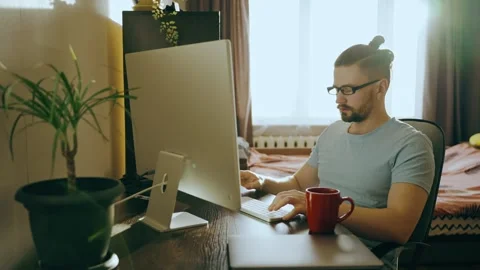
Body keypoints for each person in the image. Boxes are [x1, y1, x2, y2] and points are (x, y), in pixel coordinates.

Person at [240, 35, 435, 269]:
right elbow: (299, 183)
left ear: (381, 87)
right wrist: (261, 181)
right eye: (336, 89)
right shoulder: (333, 132)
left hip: (361, 259)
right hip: (314, 243)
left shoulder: (412, 144)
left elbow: (399, 227)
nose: (339, 99)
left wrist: (320, 209)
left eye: (348, 89)